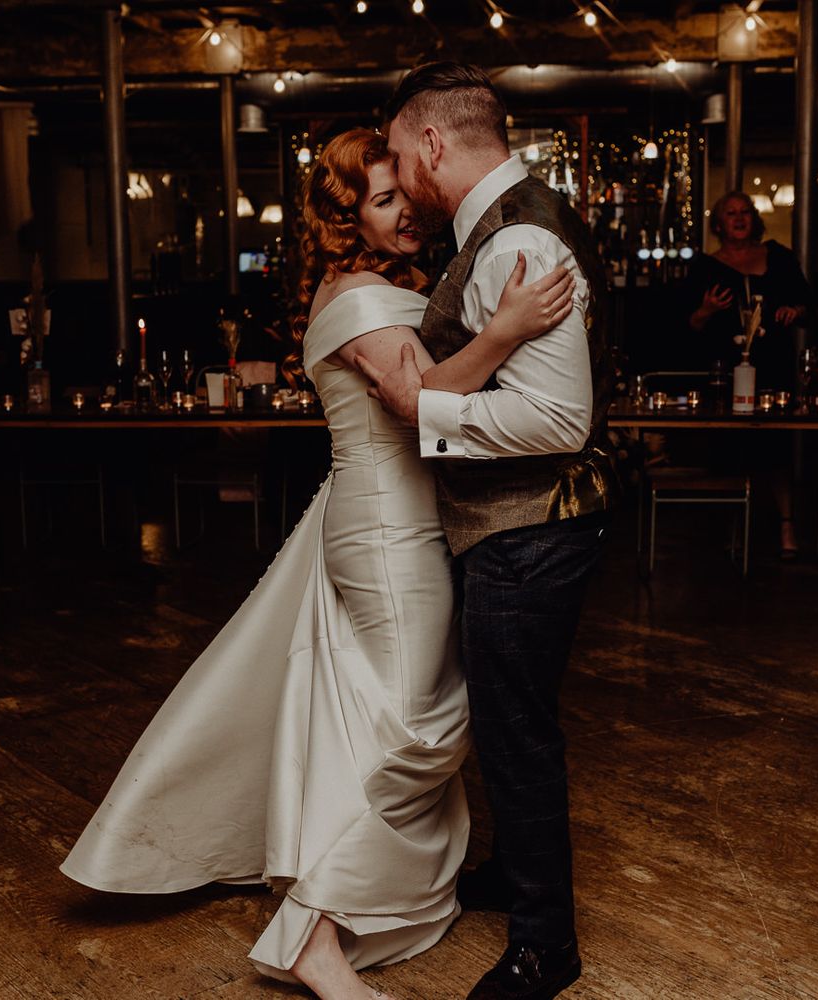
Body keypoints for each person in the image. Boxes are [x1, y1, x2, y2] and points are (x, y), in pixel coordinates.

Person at [60, 127, 575, 1000]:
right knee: (417, 729)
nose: (407, 212)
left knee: (392, 721)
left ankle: (345, 892)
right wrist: (509, 328)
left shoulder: (388, 287)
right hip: (387, 533)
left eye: (406, 195)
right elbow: (424, 404)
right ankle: (316, 938)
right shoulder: (357, 302)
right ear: (345, 221)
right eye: (382, 201)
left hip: (402, 525)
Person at [358, 63, 619, 1000]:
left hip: (532, 528)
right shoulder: (508, 227)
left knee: (516, 731)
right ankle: (515, 875)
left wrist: (424, 408)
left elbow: (557, 424)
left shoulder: (521, 246)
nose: (395, 172)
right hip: (524, 527)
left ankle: (548, 945)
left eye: (396, 153)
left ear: (431, 144)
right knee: (510, 718)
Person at [683, 190, 814, 558]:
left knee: (776, 450)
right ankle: (732, 531)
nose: (739, 218)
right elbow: (688, 325)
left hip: (773, 367)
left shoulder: (779, 257)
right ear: (719, 223)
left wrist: (793, 309)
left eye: (744, 212)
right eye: (731, 213)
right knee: (728, 448)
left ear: (753, 219)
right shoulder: (705, 268)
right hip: (724, 370)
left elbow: (807, 303)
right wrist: (707, 309)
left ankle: (786, 529)